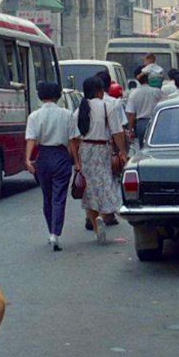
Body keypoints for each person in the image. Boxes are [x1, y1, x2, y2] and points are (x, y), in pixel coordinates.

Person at [71, 77, 128, 243]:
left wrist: (76, 160)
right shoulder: (107, 107)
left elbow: (73, 139)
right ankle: (102, 218)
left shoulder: (79, 110)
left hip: (84, 151)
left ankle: (96, 230)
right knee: (106, 185)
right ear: (98, 91)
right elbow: (117, 132)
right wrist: (123, 152)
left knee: (88, 190)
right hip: (102, 150)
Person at [25, 82, 78, 251]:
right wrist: (76, 162)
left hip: (43, 158)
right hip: (61, 156)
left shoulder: (34, 116)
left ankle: (50, 231)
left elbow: (31, 139)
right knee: (59, 197)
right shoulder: (66, 114)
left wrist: (27, 160)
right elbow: (72, 141)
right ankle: (56, 233)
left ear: (40, 96)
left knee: (47, 197)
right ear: (58, 96)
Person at [126, 66, 166, 149]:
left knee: (143, 148)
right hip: (156, 122)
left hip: (141, 124)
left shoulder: (134, 93)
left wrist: (130, 130)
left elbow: (130, 113)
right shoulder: (157, 91)